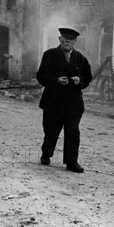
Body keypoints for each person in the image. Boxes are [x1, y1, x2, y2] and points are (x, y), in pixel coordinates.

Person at [36, 27, 92, 173]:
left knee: (73, 131)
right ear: (59, 39)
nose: (68, 41)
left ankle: (72, 162)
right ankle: (46, 154)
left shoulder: (80, 58)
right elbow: (41, 76)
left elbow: (87, 78)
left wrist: (79, 80)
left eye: (71, 39)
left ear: (75, 41)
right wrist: (56, 80)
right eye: (65, 38)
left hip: (73, 102)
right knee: (51, 130)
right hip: (53, 101)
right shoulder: (49, 55)